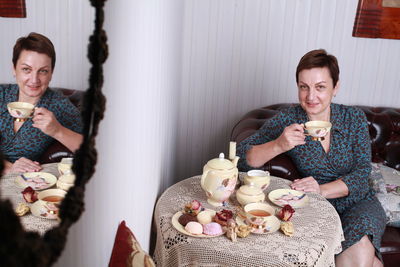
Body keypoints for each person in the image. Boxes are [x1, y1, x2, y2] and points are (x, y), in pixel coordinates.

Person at [237, 49, 386, 267]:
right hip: (317, 209)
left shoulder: (353, 118)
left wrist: (322, 189)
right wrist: (279, 144)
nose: (310, 96)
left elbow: (363, 173)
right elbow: (243, 157)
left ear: (336, 87)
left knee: (362, 243)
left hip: (360, 203)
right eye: (303, 87)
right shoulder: (290, 118)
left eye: (320, 87)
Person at [0, 32, 83, 174]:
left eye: (43, 71)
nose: (34, 80)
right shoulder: (2, 94)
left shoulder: (58, 105)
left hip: (20, 186)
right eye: (26, 69)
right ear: (14, 69)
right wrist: (8, 167)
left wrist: (58, 131)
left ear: (51, 73)